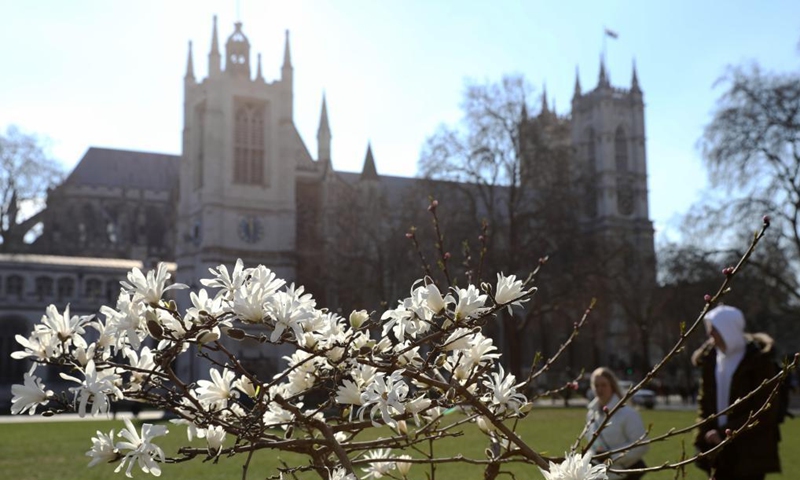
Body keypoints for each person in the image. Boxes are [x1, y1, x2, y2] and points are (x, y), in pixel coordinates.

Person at [692, 305, 781, 480]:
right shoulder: (711, 360)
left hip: (749, 450)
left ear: (727, 330)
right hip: (717, 448)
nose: (710, 336)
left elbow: (765, 409)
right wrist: (704, 433)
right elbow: (705, 402)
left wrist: (726, 431)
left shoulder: (758, 361)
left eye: (713, 330)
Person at [585, 367, 649, 480]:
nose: (600, 389)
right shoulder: (591, 414)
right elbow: (592, 444)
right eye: (596, 385)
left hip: (622, 474)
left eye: (603, 385)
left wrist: (611, 456)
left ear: (612, 386)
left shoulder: (628, 414)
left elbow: (641, 445)